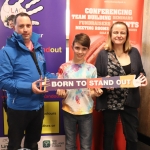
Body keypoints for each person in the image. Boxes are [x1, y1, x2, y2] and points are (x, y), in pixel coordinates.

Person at [0, 12, 56, 150]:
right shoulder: (7, 51)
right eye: (21, 26)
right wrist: (29, 87)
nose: (25, 29)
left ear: (32, 27)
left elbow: (44, 74)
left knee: (32, 144)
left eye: (28, 25)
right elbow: (4, 81)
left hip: (38, 107)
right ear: (14, 27)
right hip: (18, 109)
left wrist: (59, 80)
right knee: (14, 145)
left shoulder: (38, 48)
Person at [95, 21, 147, 150]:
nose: (119, 35)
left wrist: (143, 78)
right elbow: (96, 77)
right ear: (111, 35)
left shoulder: (134, 52)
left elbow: (141, 71)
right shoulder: (103, 54)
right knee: (108, 135)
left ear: (127, 35)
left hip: (130, 100)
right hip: (110, 100)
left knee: (132, 136)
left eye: (122, 32)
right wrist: (104, 82)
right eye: (116, 32)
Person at [56, 33, 103, 150]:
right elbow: (61, 90)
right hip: (68, 111)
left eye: (84, 49)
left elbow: (91, 93)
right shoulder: (64, 67)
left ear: (88, 49)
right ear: (72, 47)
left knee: (86, 145)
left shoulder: (92, 69)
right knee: (70, 144)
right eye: (77, 48)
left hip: (86, 112)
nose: (80, 51)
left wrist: (96, 94)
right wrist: (61, 93)